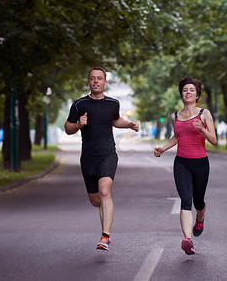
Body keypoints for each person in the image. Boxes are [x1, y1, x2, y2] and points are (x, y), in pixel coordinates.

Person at [64, 67, 139, 251]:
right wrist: (78, 124)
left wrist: (128, 124)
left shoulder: (113, 104)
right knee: (95, 200)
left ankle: (105, 237)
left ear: (105, 82)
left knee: (105, 191)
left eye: (99, 78)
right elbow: (67, 127)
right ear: (89, 82)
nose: (96, 81)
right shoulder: (79, 104)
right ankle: (104, 213)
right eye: (92, 78)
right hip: (88, 157)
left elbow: (115, 120)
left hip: (107, 155)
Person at [154, 76, 216, 255]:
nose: (188, 92)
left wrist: (202, 129)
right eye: (185, 90)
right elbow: (177, 136)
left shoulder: (204, 114)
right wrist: (163, 148)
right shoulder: (175, 116)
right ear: (181, 94)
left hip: (201, 163)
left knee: (198, 201)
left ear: (197, 95)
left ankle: (200, 217)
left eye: (191, 90)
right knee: (186, 201)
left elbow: (213, 140)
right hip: (181, 163)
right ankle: (187, 240)